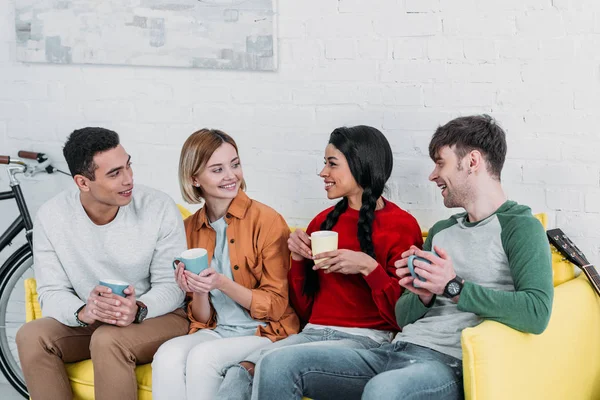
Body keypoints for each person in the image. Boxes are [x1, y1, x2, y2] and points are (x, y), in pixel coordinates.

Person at [252, 115, 554, 400]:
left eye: (440, 164)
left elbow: (537, 312)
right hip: (394, 350)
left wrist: (453, 287)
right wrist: (421, 296)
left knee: (385, 390)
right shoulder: (442, 230)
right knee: (277, 364)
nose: (432, 175)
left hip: (446, 364)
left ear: (472, 161)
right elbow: (402, 318)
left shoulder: (520, 226)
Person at [215, 125, 423, 400]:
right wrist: (299, 260)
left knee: (274, 364)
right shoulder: (322, 222)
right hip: (312, 334)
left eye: (332, 164)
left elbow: (403, 317)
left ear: (360, 165)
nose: (323, 172)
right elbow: (305, 311)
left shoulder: (402, 226)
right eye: (325, 163)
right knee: (239, 373)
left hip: (365, 341)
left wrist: (367, 268)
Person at [16, 127, 189, 400]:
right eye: (114, 173)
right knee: (31, 336)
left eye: (128, 165)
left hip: (158, 317)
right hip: (94, 323)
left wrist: (138, 309)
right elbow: (51, 291)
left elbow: (173, 287)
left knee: (108, 339)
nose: (128, 179)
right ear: (83, 183)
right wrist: (83, 311)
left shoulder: (158, 207)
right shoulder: (52, 217)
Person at [151, 128, 300, 400]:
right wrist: (198, 289)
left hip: (264, 331)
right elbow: (202, 318)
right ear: (194, 178)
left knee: (203, 358)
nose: (231, 176)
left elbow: (277, 306)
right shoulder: (187, 229)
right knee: (167, 356)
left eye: (235, 164)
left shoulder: (267, 221)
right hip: (218, 330)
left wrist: (221, 282)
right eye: (217, 169)